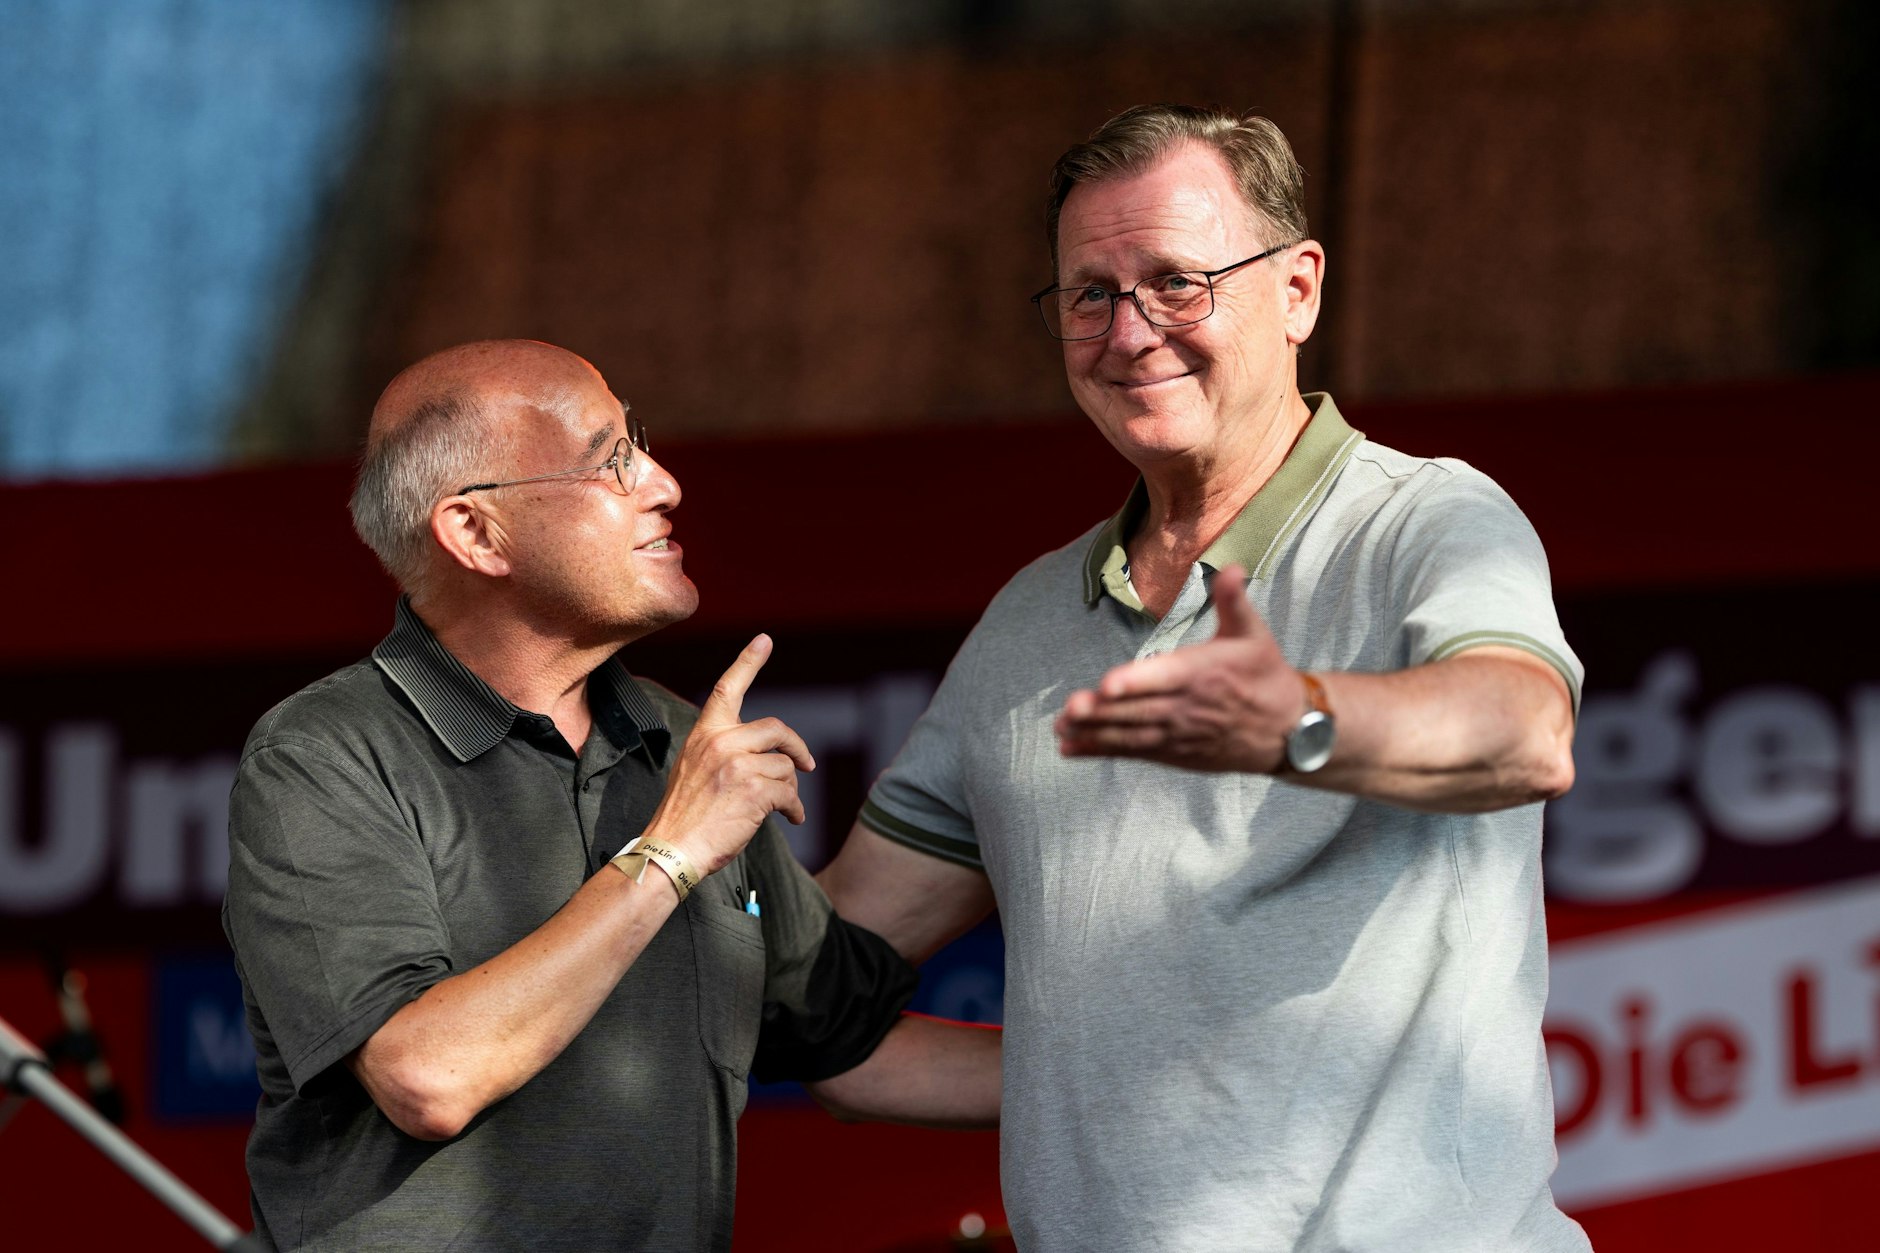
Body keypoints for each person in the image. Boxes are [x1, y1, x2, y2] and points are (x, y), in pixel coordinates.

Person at [819, 105, 1590, 1251]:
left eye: (1176, 283)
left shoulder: (1424, 518)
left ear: (1297, 290)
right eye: (1089, 294)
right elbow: (821, 994)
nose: (1129, 333)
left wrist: (1299, 720)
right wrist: (683, 854)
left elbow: (1522, 732)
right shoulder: (1027, 620)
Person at [222, 339, 999, 1252]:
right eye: (611, 461)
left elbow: (848, 1046)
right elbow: (427, 1075)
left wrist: (1127, 1068)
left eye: (643, 445)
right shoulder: (323, 752)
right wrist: (670, 854)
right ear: (475, 533)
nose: (665, 484)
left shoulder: (685, 748)